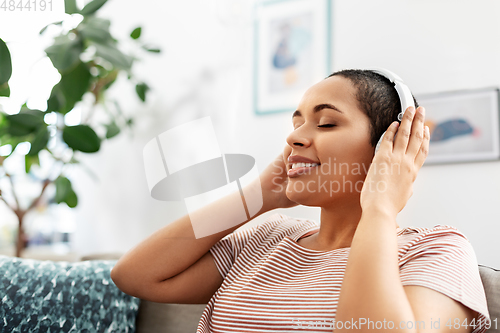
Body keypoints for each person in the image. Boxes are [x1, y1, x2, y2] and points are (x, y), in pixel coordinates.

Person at [111, 69, 491, 333]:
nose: (294, 139)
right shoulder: (269, 239)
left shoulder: (436, 250)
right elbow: (135, 275)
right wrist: (258, 197)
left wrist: (380, 208)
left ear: (385, 148)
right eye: (296, 125)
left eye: (326, 123)